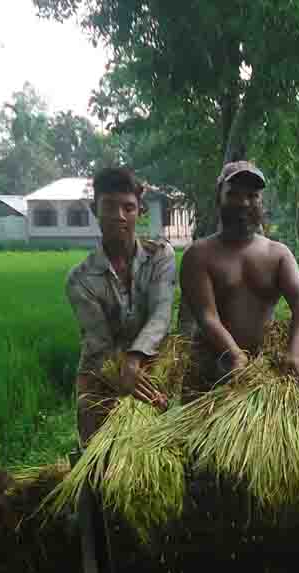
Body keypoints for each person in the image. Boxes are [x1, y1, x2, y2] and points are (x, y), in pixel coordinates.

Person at [179, 161, 299, 396]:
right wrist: (235, 354)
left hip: (265, 367)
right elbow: (206, 316)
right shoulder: (198, 255)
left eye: (252, 196)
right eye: (233, 194)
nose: (243, 203)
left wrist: (295, 351)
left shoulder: (278, 254)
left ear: (262, 203)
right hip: (212, 370)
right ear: (218, 198)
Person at [65, 166, 177, 444]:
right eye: (109, 207)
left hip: (151, 361)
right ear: (95, 209)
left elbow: (161, 315)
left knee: (162, 441)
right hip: (102, 371)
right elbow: (99, 343)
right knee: (98, 453)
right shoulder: (80, 280)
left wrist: (136, 358)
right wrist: (123, 376)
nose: (119, 216)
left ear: (140, 211)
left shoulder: (161, 255)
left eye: (128, 208)